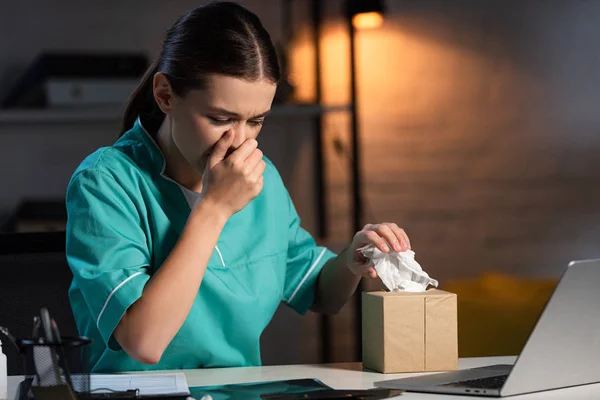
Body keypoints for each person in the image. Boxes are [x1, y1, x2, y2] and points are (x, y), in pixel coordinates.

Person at [66, 1, 411, 373]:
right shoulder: (105, 182)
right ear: (165, 95)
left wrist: (353, 258)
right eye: (219, 119)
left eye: (256, 121)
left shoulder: (261, 177)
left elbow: (320, 291)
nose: (237, 140)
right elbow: (143, 342)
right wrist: (213, 209)